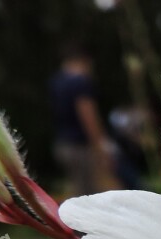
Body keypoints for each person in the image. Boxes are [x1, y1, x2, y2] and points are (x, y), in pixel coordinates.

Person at [50, 43, 117, 197]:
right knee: (91, 196)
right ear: (84, 61)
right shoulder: (80, 82)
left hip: (63, 145)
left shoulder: (56, 82)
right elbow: (88, 116)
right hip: (82, 147)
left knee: (78, 191)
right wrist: (101, 148)